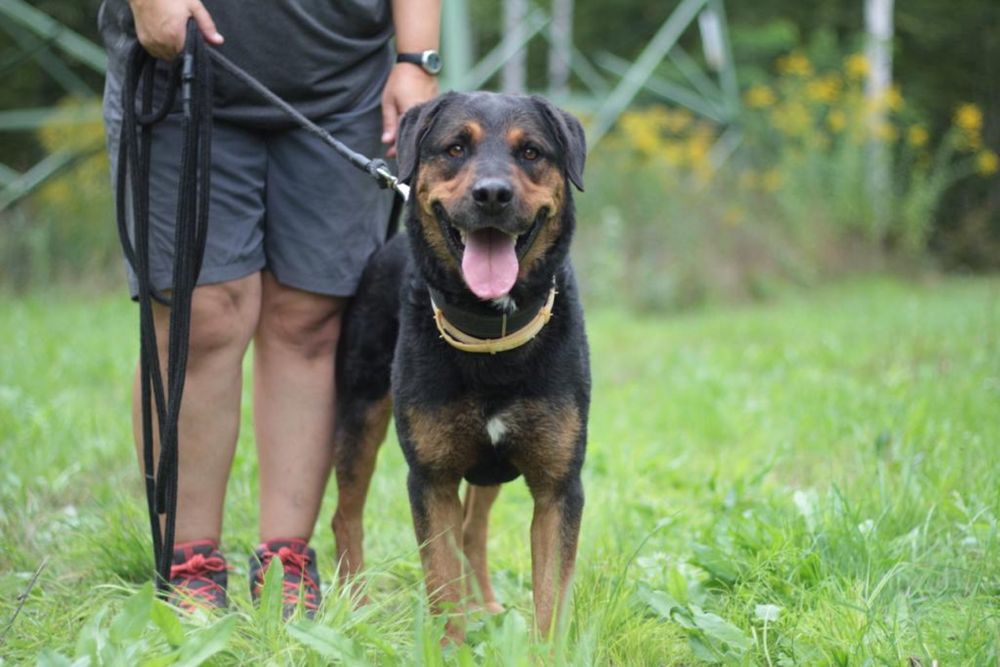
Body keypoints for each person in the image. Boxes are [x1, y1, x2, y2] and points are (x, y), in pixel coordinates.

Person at [99, 0, 440, 614]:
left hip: (343, 84)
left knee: (310, 318)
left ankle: (287, 560)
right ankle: (190, 561)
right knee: (200, 315)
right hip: (181, 65)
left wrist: (417, 57)